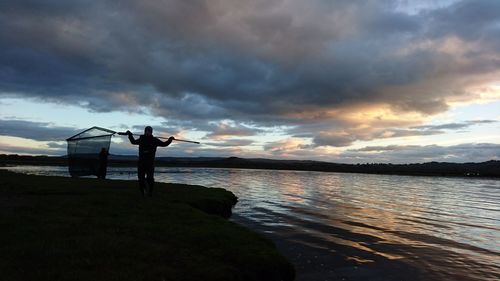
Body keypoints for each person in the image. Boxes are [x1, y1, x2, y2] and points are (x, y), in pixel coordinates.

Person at [127, 126, 175, 197]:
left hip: (150, 163)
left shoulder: (154, 140)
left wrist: (170, 140)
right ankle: (143, 193)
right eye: (146, 131)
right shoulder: (141, 139)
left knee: (150, 179)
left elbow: (164, 144)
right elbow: (133, 142)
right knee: (141, 179)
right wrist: (130, 135)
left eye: (149, 131)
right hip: (141, 163)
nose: (148, 132)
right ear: (145, 131)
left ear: (151, 132)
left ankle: (150, 193)